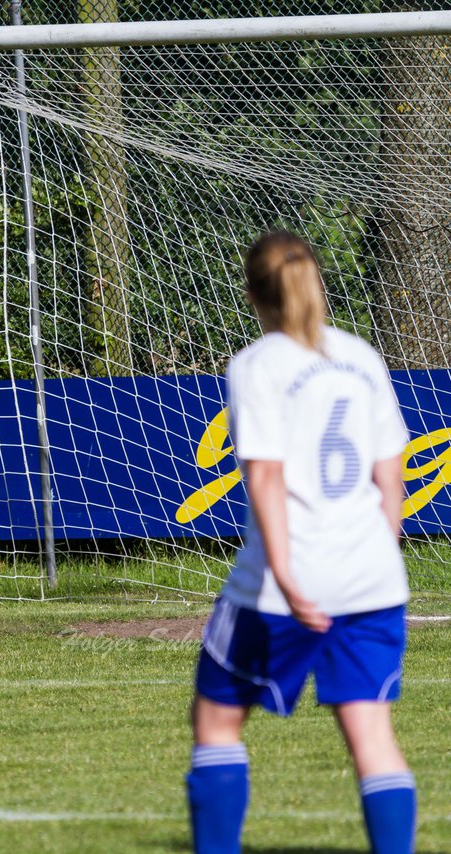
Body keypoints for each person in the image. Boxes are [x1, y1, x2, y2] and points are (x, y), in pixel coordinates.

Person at [187, 231, 414, 854]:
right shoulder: (360, 355)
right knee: (371, 736)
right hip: (372, 579)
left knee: (216, 722)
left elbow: (263, 474)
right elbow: (389, 471)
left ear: (253, 294)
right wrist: (379, 552)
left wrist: (287, 577)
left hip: (283, 587)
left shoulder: (257, 365)